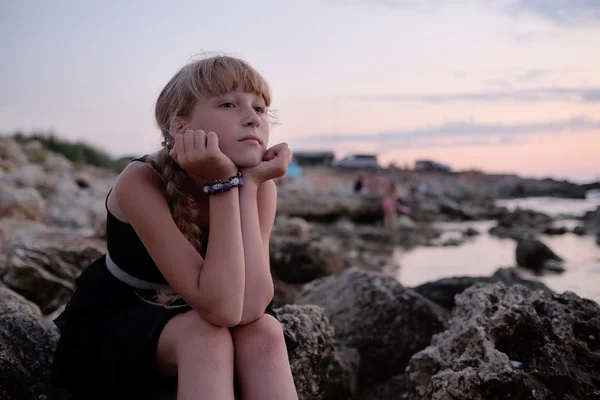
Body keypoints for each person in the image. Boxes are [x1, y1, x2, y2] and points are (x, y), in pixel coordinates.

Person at [51, 55, 299, 399]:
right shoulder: (140, 181)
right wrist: (224, 184)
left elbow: (249, 308)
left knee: (266, 333)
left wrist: (251, 185)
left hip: (212, 304)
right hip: (131, 312)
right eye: (228, 104)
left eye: (260, 109)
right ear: (181, 128)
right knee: (205, 337)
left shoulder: (260, 187)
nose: (252, 119)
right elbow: (223, 310)